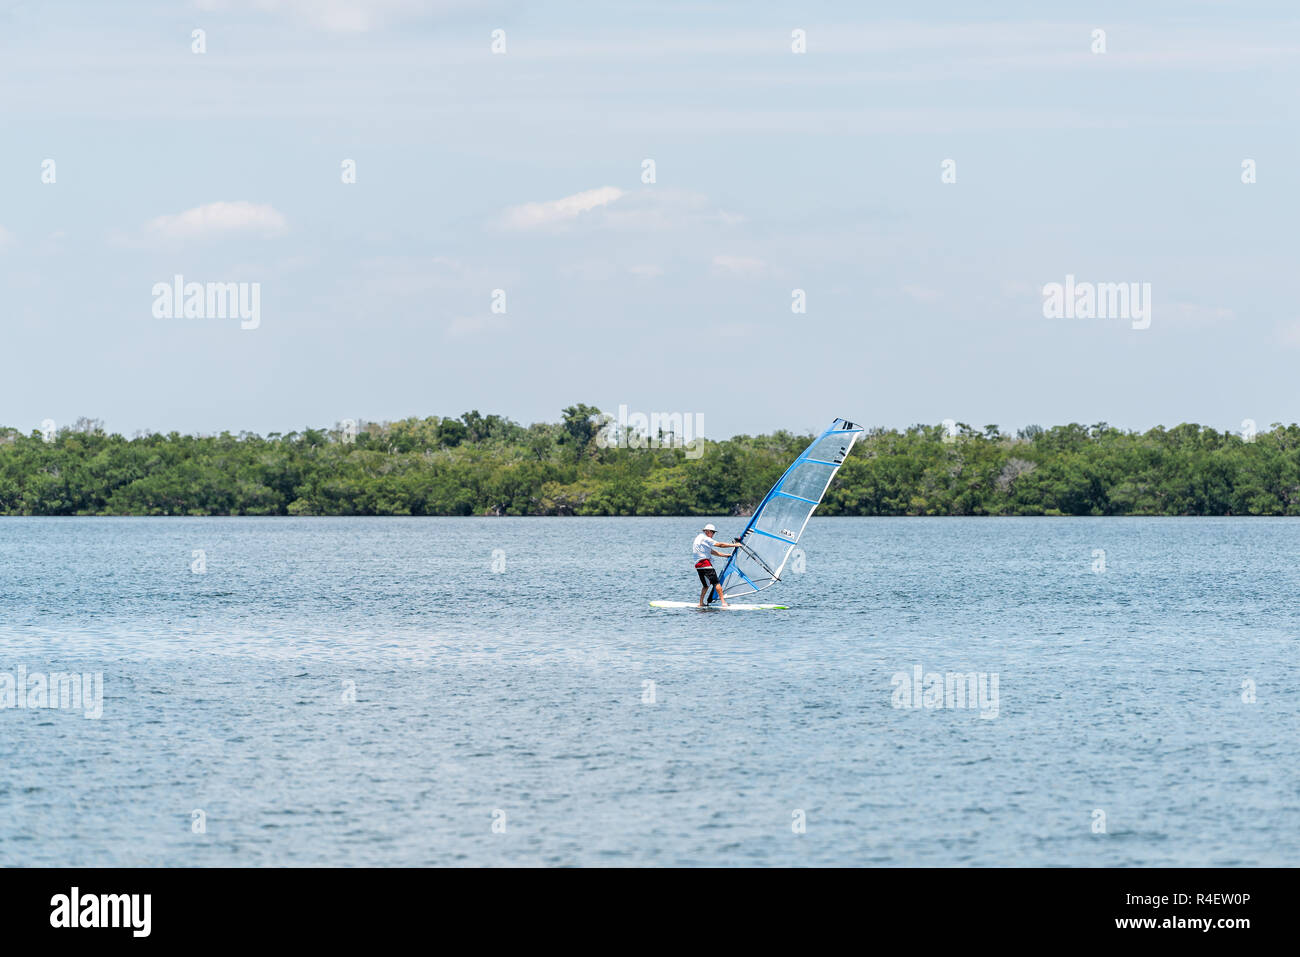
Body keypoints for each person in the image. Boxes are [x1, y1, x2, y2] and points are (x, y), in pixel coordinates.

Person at [692, 523, 740, 607]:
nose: (713, 534)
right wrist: (735, 545)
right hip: (704, 563)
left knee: (706, 585)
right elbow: (720, 545)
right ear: (707, 531)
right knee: (716, 583)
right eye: (712, 532)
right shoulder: (705, 538)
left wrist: (725, 555)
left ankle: (701, 603)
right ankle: (723, 603)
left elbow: (711, 551)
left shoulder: (699, 538)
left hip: (698, 565)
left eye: (714, 532)